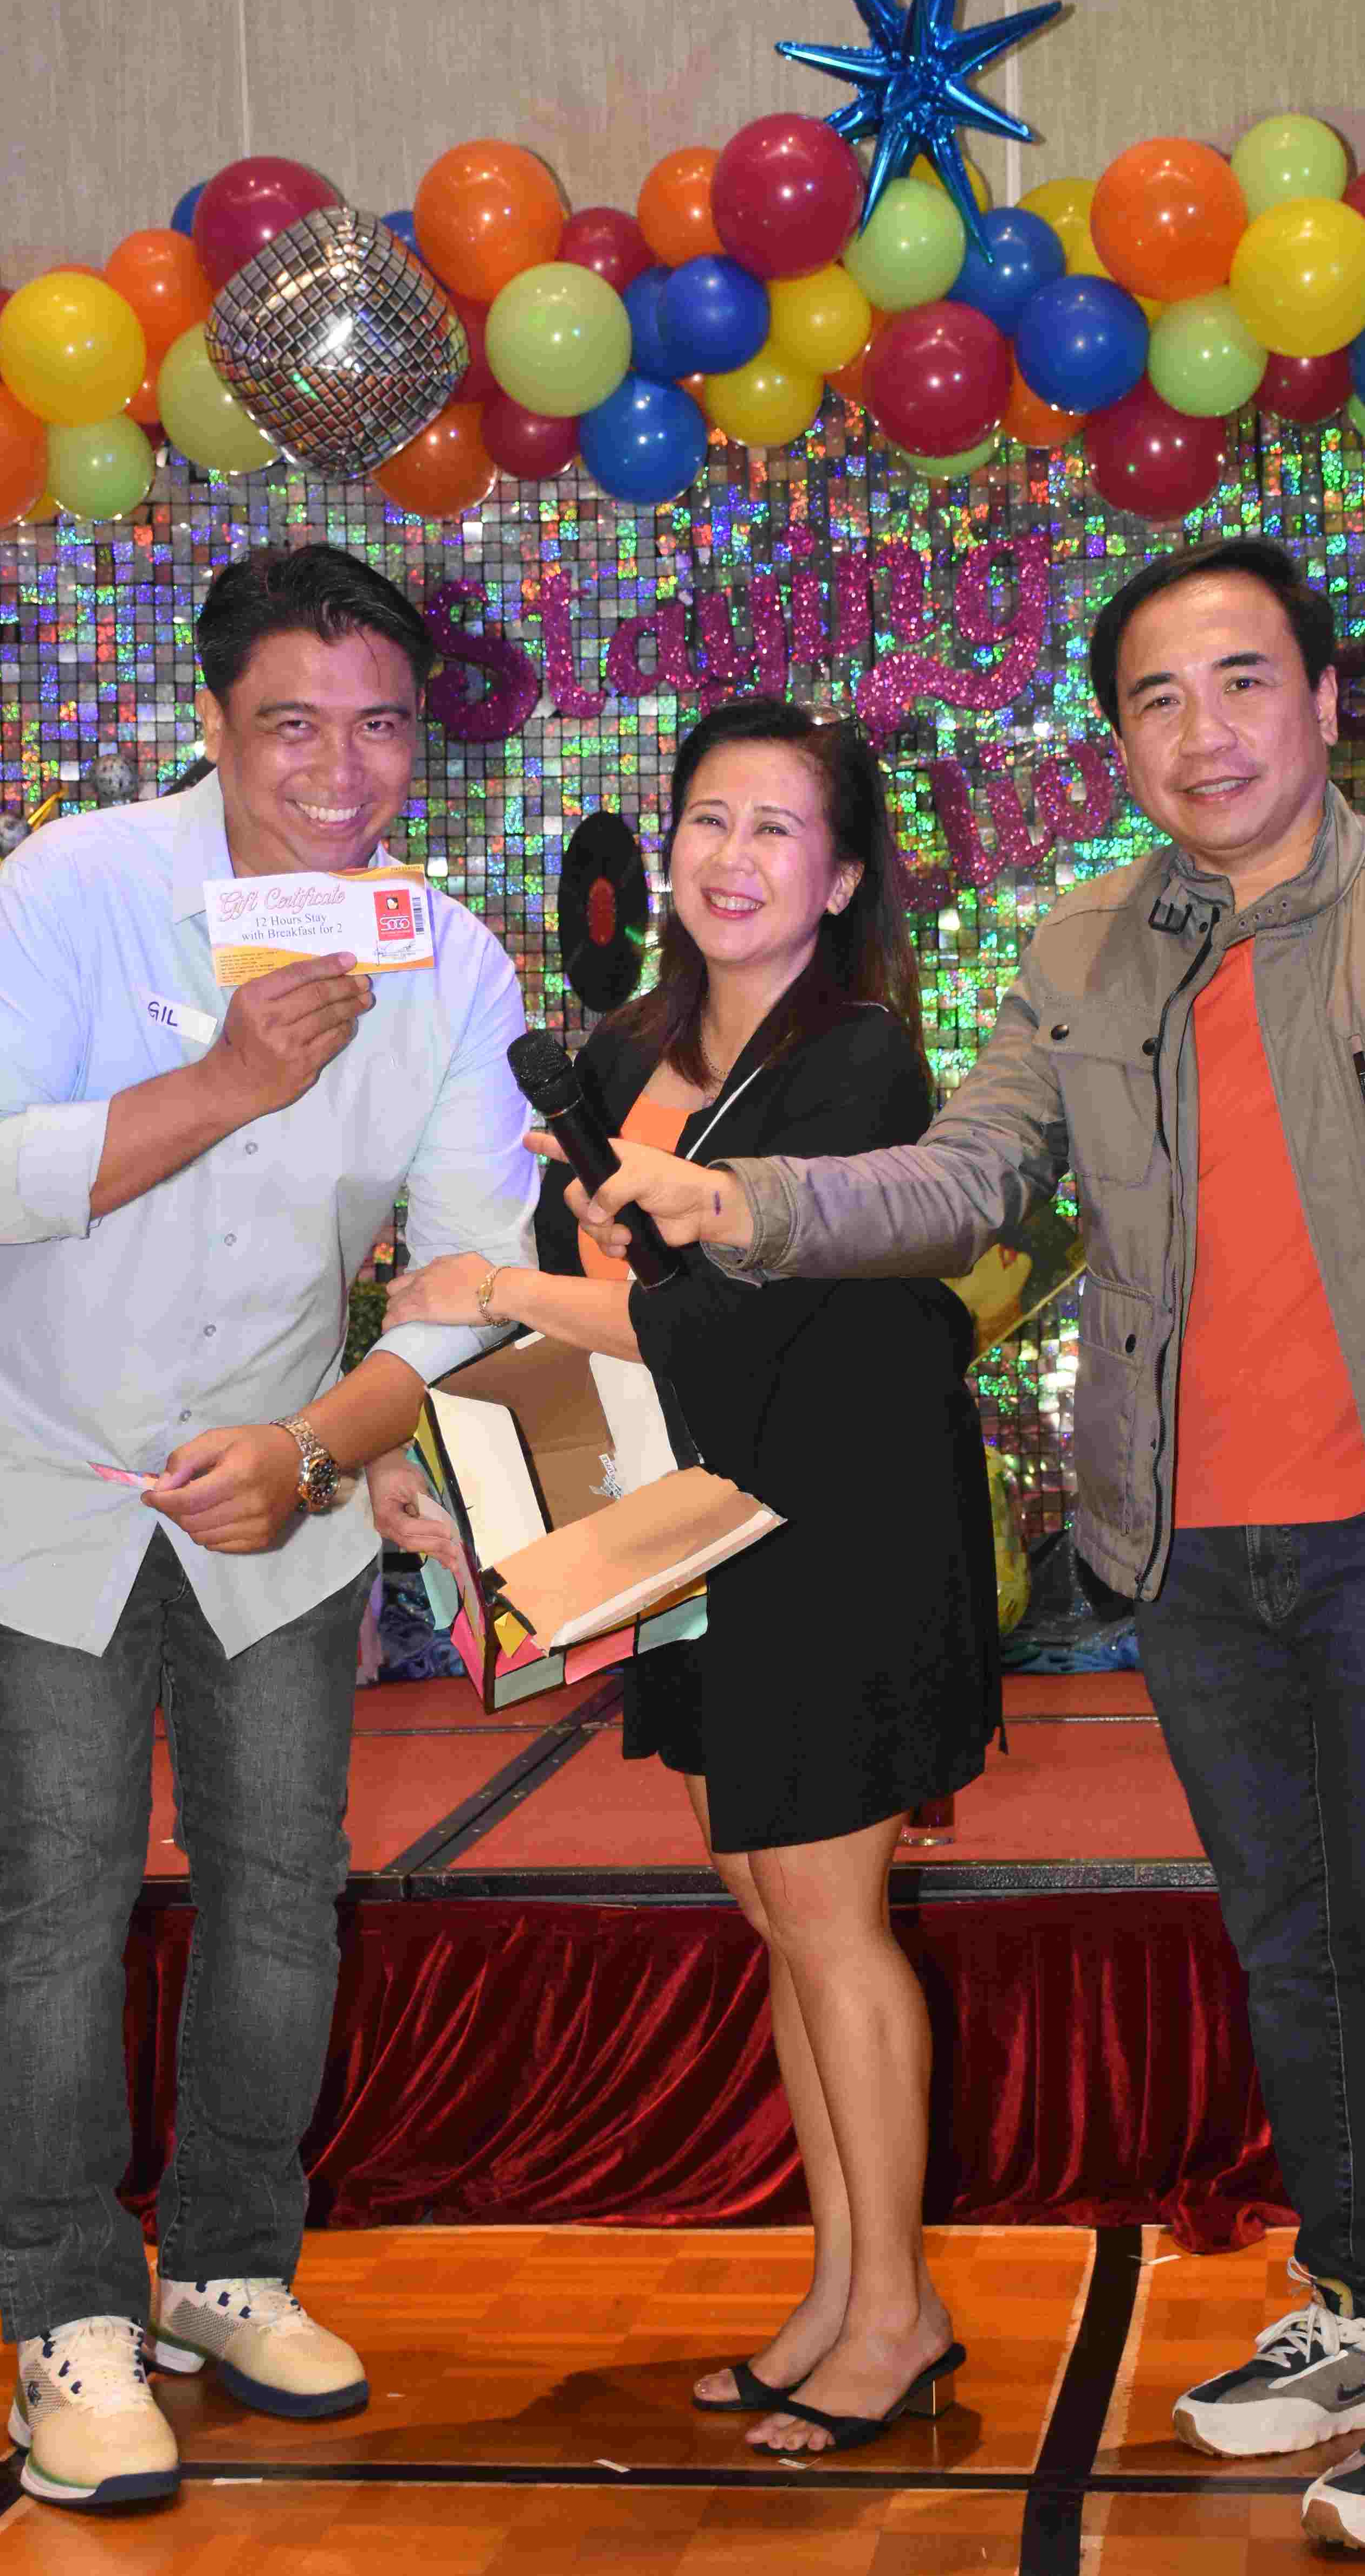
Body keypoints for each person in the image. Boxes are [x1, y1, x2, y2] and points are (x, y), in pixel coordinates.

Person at [551, 539, 1365, 2556]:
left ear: (1326, 701)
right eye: (1158, 700)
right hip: (1180, 1542)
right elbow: (970, 1174)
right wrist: (746, 1207)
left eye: (1244, 682)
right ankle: (1357, 2304)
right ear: (1118, 742)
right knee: (1288, 1940)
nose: (1205, 732)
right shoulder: (1087, 947)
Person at [0, 544, 537, 2511]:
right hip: (46, 1476)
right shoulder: (75, 885)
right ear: (211, 721)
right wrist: (225, 1081)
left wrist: (322, 1452)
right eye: (291, 726)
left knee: (279, 1887)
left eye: (381, 729)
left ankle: (231, 2268)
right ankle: (69, 2318)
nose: (340, 774)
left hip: (288, 1482)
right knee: (60, 1891)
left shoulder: (448, 955)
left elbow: (470, 1273)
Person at [376, 698, 999, 2458]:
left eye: (778, 830)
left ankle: (898, 2314)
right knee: (771, 1904)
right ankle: (844, 2289)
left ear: (844, 878)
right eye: (709, 821)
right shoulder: (626, 1052)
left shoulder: (861, 1064)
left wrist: (492, 1292)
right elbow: (620, 1332)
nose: (733, 859)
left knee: (832, 1917)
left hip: (844, 1529)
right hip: (690, 1525)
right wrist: (469, 1465)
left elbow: (715, 1325)